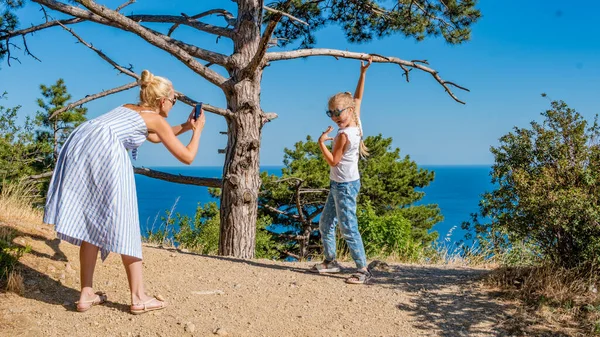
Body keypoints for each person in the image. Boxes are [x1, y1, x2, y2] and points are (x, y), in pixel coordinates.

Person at [43, 70, 205, 313]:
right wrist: (198, 130)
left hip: (82, 142)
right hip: (106, 150)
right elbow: (187, 157)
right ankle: (138, 297)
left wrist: (185, 126)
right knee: (125, 219)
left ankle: (86, 293)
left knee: (92, 217)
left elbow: (154, 137)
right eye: (174, 100)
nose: (174, 104)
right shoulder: (156, 120)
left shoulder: (130, 108)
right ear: (162, 101)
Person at [312, 57, 372, 284]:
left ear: (348, 111)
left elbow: (334, 161)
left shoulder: (343, 134)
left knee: (348, 227)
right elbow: (357, 98)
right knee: (325, 223)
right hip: (342, 183)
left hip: (344, 185)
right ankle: (330, 262)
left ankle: (363, 269)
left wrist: (321, 143)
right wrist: (363, 73)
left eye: (338, 112)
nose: (335, 117)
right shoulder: (356, 123)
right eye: (331, 113)